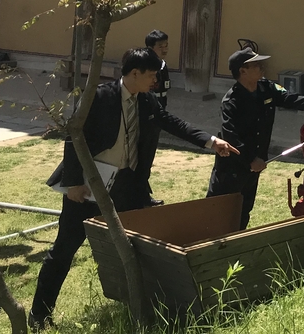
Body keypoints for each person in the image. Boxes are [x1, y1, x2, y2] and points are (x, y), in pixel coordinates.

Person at [29, 49, 237, 331]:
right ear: (134, 74)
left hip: (128, 186)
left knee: (134, 249)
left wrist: (211, 141)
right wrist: (73, 183)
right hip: (91, 183)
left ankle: (139, 307)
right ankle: (40, 315)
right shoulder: (100, 97)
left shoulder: (147, 101)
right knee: (65, 247)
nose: (155, 81)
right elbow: (73, 138)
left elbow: (172, 123)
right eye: (151, 75)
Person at [206, 47, 304, 230]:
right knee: (221, 209)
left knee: (245, 208)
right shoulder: (231, 102)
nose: (262, 67)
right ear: (243, 71)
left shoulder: (266, 88)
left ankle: (238, 242)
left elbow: (289, 99)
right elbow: (230, 136)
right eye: (256, 65)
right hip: (233, 166)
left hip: (255, 165)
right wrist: (251, 159)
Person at [144, 29, 170, 206]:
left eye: (166, 45)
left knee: (149, 153)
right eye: (160, 46)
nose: (164, 49)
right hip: (146, 111)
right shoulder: (145, 65)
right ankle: (142, 194)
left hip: (159, 110)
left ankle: (144, 194)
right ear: (150, 47)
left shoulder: (163, 65)